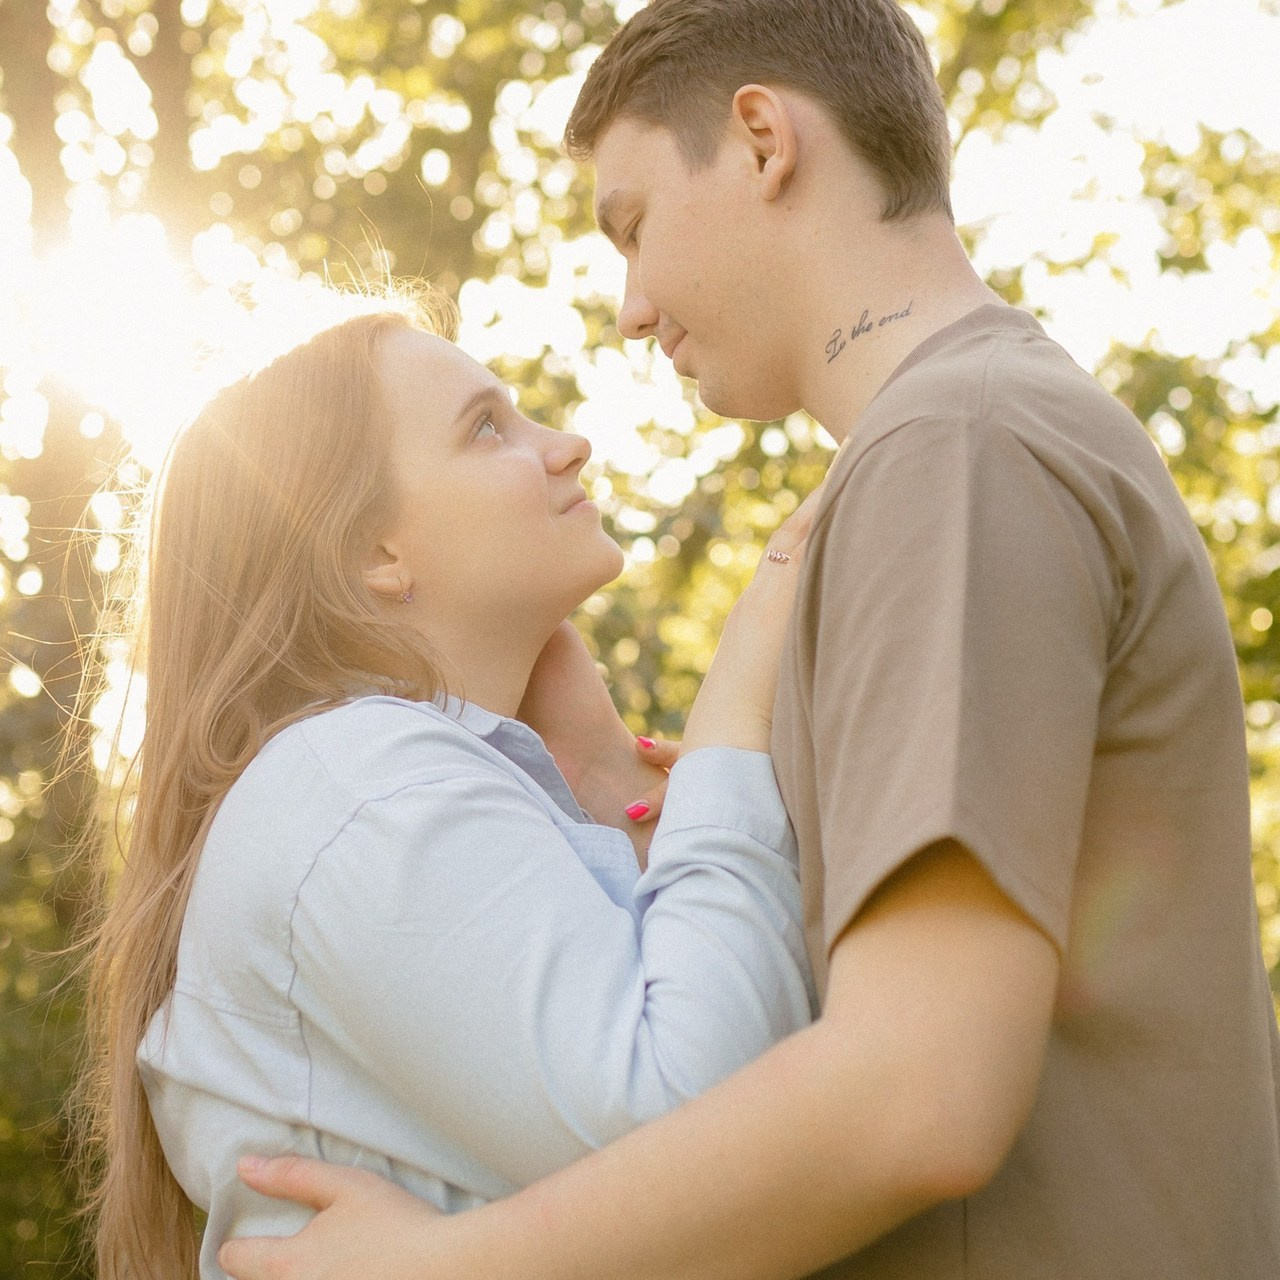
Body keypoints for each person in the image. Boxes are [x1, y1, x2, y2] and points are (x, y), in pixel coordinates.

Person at [217, 0, 1280, 1277]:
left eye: (633, 226)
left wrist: (445, 1263)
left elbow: (916, 1092)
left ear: (763, 139)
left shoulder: (952, 448)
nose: (629, 307)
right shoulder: (968, 440)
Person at [76, 291, 824, 1280]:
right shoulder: (355, 786)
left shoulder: (415, 788)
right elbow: (698, 1120)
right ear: (372, 552)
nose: (567, 444)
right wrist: (735, 710)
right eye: (486, 428)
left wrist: (609, 782)